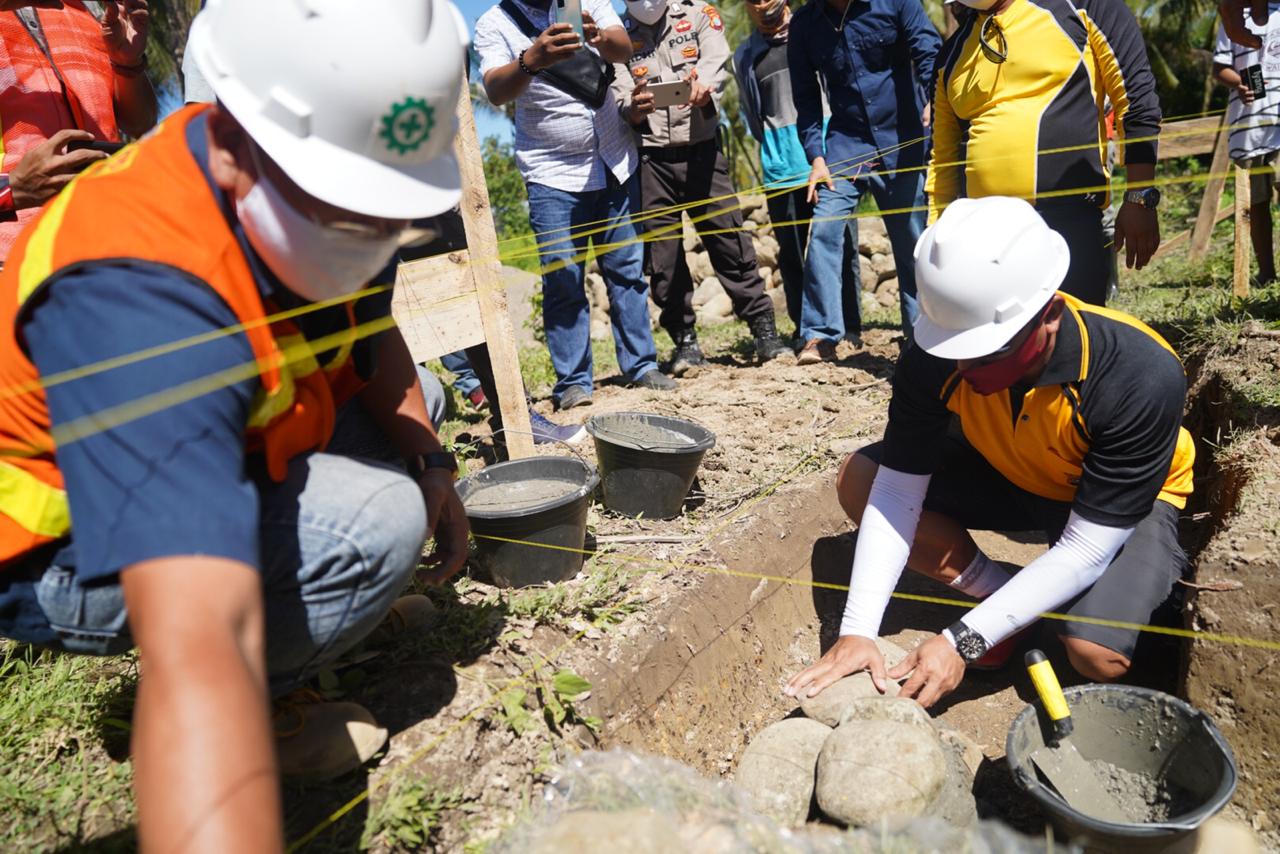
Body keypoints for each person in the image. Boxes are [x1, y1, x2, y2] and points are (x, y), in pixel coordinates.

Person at [0, 0, 472, 848]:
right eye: (347, 208)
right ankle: (279, 692)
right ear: (233, 134)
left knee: (420, 409)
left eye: (385, 211)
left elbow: (369, 337)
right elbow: (201, 649)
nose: (369, 237)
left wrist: (434, 462)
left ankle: (318, 605)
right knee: (376, 526)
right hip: (44, 539)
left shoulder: (322, 194)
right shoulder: (137, 289)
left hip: (222, 425)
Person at [785, 197, 1195, 710]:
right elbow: (895, 490)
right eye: (956, 348)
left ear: (1049, 315)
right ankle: (1005, 596)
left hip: (1112, 502)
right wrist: (858, 630)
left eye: (988, 350)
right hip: (1012, 469)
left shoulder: (1137, 374)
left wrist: (961, 641)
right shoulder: (941, 350)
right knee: (861, 479)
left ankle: (1080, 608)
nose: (965, 365)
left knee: (1095, 653)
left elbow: (1087, 549)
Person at [476, 0, 676, 410]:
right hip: (551, 173)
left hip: (612, 158)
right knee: (563, 279)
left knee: (627, 271)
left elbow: (624, 46)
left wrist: (600, 38)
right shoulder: (492, 24)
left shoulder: (583, 1)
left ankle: (641, 365)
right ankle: (573, 381)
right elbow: (495, 90)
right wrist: (532, 60)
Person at [926, 0, 1162, 305]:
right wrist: (937, 241)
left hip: (1068, 225)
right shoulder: (951, 54)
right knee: (995, 350)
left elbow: (1136, 99)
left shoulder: (1081, 6)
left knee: (1070, 341)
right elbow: (941, 160)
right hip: (984, 240)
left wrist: (1140, 197)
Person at [612, 0, 789, 374]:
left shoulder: (698, 15)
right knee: (664, 258)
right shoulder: (617, 34)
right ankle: (685, 342)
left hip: (703, 152)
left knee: (729, 241)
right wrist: (634, 108)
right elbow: (620, 91)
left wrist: (704, 86)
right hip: (651, 160)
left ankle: (764, 331)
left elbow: (714, 61)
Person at [788, 0, 939, 364]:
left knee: (910, 238)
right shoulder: (805, 25)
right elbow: (806, 99)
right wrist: (817, 157)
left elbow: (929, 51)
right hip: (846, 146)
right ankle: (820, 336)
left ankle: (920, 337)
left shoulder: (896, 3)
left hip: (902, 139)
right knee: (824, 227)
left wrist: (936, 99)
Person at [734, 0, 864, 344]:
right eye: (753, 1)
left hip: (827, 160)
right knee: (791, 254)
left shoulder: (816, 31)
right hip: (780, 169)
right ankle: (804, 328)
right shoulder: (747, 54)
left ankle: (850, 325)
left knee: (842, 244)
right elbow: (752, 114)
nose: (762, 5)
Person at [0, 0, 157, 263]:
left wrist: (127, 63)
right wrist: (10, 190)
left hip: (105, 244)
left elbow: (141, 122)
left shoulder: (89, 12)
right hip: (12, 256)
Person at [1214, 2, 1280, 286]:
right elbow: (1219, 68)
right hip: (1249, 127)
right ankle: (1267, 273)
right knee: (1257, 205)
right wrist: (1240, 83)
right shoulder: (1230, 14)